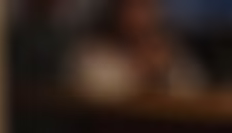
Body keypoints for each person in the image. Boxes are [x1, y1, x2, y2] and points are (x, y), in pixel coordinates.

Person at [66, 0, 207, 98]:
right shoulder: (94, 50)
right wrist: (139, 72)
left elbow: (196, 90)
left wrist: (165, 71)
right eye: (132, 7)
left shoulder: (165, 47)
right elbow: (93, 93)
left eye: (146, 7)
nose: (141, 17)